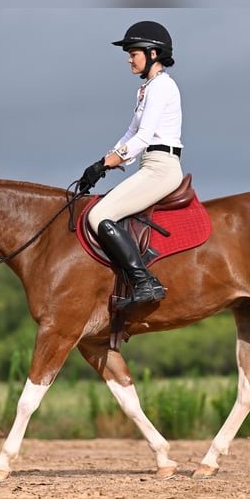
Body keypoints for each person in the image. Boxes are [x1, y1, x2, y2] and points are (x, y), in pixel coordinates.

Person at [78, 20, 184, 311]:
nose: (129, 58)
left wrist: (107, 162)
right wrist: (102, 164)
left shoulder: (162, 86)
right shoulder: (148, 88)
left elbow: (143, 137)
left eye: (133, 52)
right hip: (150, 164)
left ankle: (144, 281)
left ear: (153, 53)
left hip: (161, 167)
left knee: (99, 215)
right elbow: (129, 134)